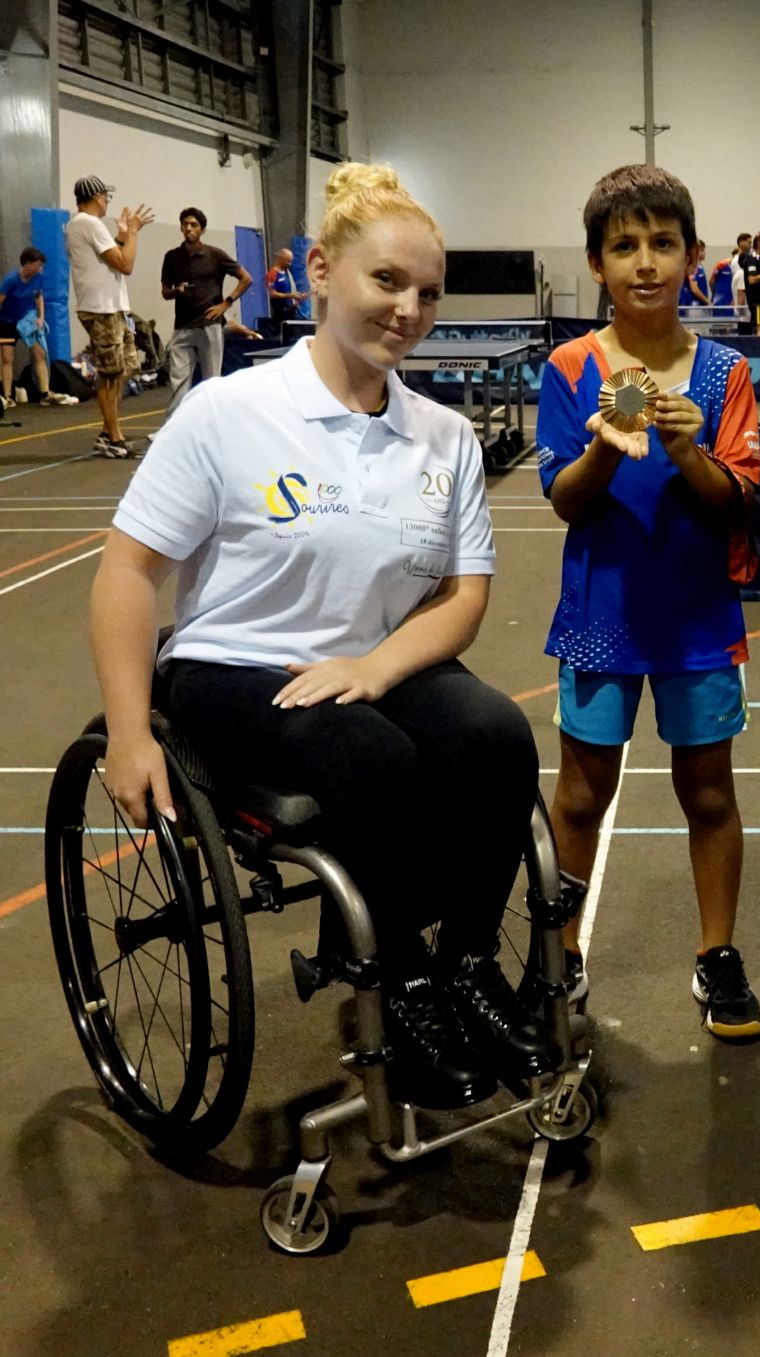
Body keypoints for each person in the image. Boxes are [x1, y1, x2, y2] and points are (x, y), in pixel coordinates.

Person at [89, 163, 548, 1111]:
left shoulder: (445, 436)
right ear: (323, 272)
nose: (409, 309)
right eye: (387, 281)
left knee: (498, 736)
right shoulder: (228, 413)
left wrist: (375, 665)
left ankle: (467, 965)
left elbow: (463, 598)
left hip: (375, 659)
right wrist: (128, 733)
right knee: (370, 759)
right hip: (235, 665)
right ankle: (402, 982)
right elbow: (126, 573)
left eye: (428, 292)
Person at [537, 164, 760, 1040]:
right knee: (580, 796)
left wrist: (685, 450)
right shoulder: (569, 368)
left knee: (708, 794)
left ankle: (718, 953)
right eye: (624, 245)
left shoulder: (726, 373)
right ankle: (560, 954)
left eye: (663, 243)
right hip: (600, 620)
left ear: (693, 256)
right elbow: (565, 499)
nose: (645, 262)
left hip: (698, 623)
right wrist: (603, 446)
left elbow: (732, 497)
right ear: (596, 262)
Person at [65, 176, 153, 458]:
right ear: (96, 196)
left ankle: (107, 432)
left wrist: (123, 234)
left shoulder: (83, 225)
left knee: (127, 367)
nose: (107, 202)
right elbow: (125, 264)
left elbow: (109, 255)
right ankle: (114, 438)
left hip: (111, 307)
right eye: (105, 197)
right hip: (101, 308)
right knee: (110, 374)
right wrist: (134, 232)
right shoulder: (89, 223)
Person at [160, 207, 252, 415]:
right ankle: (175, 424)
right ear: (181, 228)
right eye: (185, 224)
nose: (189, 228)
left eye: (194, 225)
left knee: (212, 382)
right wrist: (176, 291)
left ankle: (213, 421)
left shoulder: (215, 255)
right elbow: (165, 292)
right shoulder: (172, 257)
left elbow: (246, 278)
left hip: (209, 324)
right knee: (178, 383)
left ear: (202, 229)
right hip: (182, 326)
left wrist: (226, 303)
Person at [0, 248, 72, 409]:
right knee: (6, 358)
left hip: (27, 320)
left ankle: (45, 394)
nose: (40, 269)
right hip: (7, 322)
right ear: (27, 263)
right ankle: (8, 396)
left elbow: (38, 296)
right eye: (38, 265)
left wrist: (40, 317)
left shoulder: (39, 277)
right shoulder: (10, 280)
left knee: (40, 353)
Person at [266, 247, 309, 336]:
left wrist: (298, 297)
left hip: (291, 312)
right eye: (288, 261)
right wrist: (291, 295)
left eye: (290, 261)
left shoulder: (287, 273)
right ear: (280, 259)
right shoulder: (273, 273)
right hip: (280, 313)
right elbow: (272, 294)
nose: (290, 264)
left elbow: (291, 291)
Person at [679, 238, 711, 306]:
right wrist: (707, 301)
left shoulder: (700, 267)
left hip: (701, 305)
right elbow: (694, 288)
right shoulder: (692, 268)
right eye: (701, 250)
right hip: (694, 305)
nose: (704, 253)